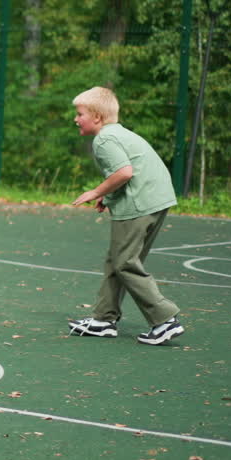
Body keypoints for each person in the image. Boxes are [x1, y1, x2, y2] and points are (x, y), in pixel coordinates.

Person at [67, 86, 184, 345]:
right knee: (117, 260)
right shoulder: (119, 133)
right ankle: (103, 319)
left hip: (139, 204)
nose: (76, 119)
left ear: (97, 117)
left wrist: (95, 191)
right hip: (156, 199)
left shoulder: (104, 140)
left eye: (80, 114)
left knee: (124, 263)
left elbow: (124, 172)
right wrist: (107, 197)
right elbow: (133, 171)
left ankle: (164, 320)